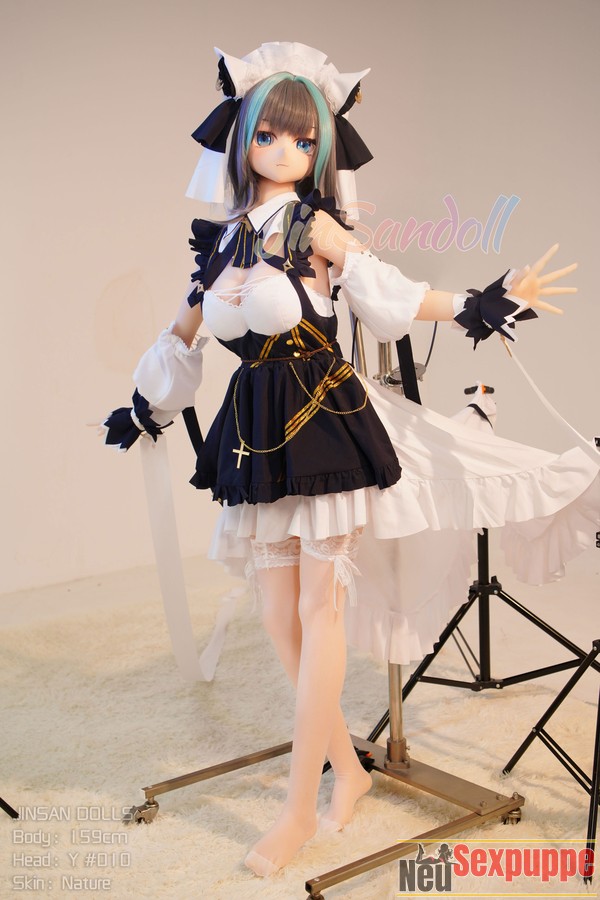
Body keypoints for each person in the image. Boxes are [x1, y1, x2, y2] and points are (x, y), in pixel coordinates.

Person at [101, 43, 599, 876]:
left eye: (304, 141)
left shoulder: (316, 227)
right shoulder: (222, 241)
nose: (286, 151)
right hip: (256, 428)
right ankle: (348, 770)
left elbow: (391, 295)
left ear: (320, 149)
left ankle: (300, 810)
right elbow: (184, 335)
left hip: (321, 421)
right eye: (271, 135)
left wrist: (483, 301)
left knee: (318, 611)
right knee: (276, 617)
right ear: (242, 137)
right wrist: (144, 407)